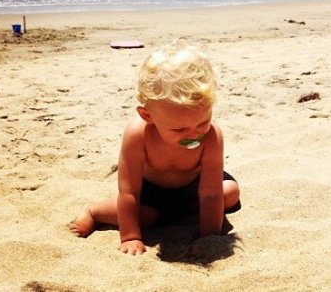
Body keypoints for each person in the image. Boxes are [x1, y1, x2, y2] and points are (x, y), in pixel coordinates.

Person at [69, 40, 241, 255]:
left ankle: (178, 213)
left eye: (202, 122)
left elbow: (210, 192)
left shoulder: (211, 135)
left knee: (230, 193)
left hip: (195, 186)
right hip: (152, 192)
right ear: (148, 116)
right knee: (146, 217)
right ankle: (94, 211)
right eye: (179, 129)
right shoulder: (138, 134)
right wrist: (131, 236)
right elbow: (129, 191)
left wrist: (208, 237)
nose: (194, 134)